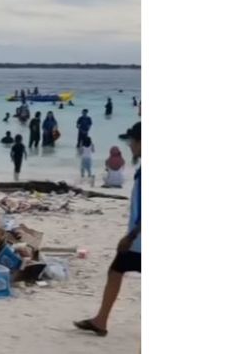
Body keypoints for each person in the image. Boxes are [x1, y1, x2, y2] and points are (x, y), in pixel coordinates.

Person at [75, 122, 140, 337]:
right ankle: (100, 321)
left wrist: (131, 236)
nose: (130, 145)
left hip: (138, 241)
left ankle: (101, 321)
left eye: (133, 141)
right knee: (116, 271)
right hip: (138, 241)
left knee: (116, 271)